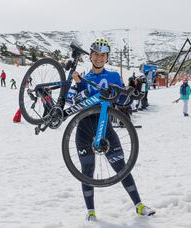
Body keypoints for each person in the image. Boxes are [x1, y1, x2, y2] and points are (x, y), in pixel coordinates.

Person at [71, 38, 155, 221]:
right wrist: (78, 85)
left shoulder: (114, 77)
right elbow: (73, 101)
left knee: (121, 167)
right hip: (84, 128)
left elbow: (124, 101)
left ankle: (139, 205)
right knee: (87, 170)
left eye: (103, 55)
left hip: (105, 127)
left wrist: (131, 93)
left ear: (107, 58)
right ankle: (91, 212)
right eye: (96, 54)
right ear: (90, 56)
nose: (99, 58)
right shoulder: (83, 77)